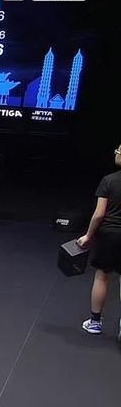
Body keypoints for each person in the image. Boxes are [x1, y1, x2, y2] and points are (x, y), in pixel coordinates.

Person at [77, 144, 121, 336]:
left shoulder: (109, 180)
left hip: (110, 235)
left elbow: (99, 214)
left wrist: (88, 235)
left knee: (102, 276)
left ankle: (95, 323)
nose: (116, 152)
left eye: (119, 150)